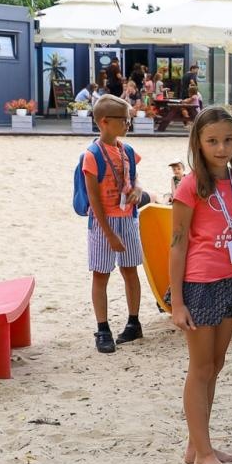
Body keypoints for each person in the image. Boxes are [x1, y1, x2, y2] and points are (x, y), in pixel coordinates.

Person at [169, 106, 232, 464]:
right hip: (199, 284)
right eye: (212, 141)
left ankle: (199, 444)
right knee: (201, 367)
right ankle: (202, 457)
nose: (221, 148)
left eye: (228, 140)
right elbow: (177, 245)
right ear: (198, 143)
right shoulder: (190, 186)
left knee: (217, 364)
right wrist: (176, 302)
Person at [82, 95, 145, 354]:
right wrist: (109, 234)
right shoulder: (92, 155)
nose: (128, 125)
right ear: (104, 122)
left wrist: (137, 190)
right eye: (124, 121)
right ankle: (103, 328)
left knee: (130, 270)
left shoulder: (126, 150)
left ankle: (133, 322)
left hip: (128, 218)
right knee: (101, 274)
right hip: (102, 224)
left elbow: (136, 178)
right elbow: (93, 199)